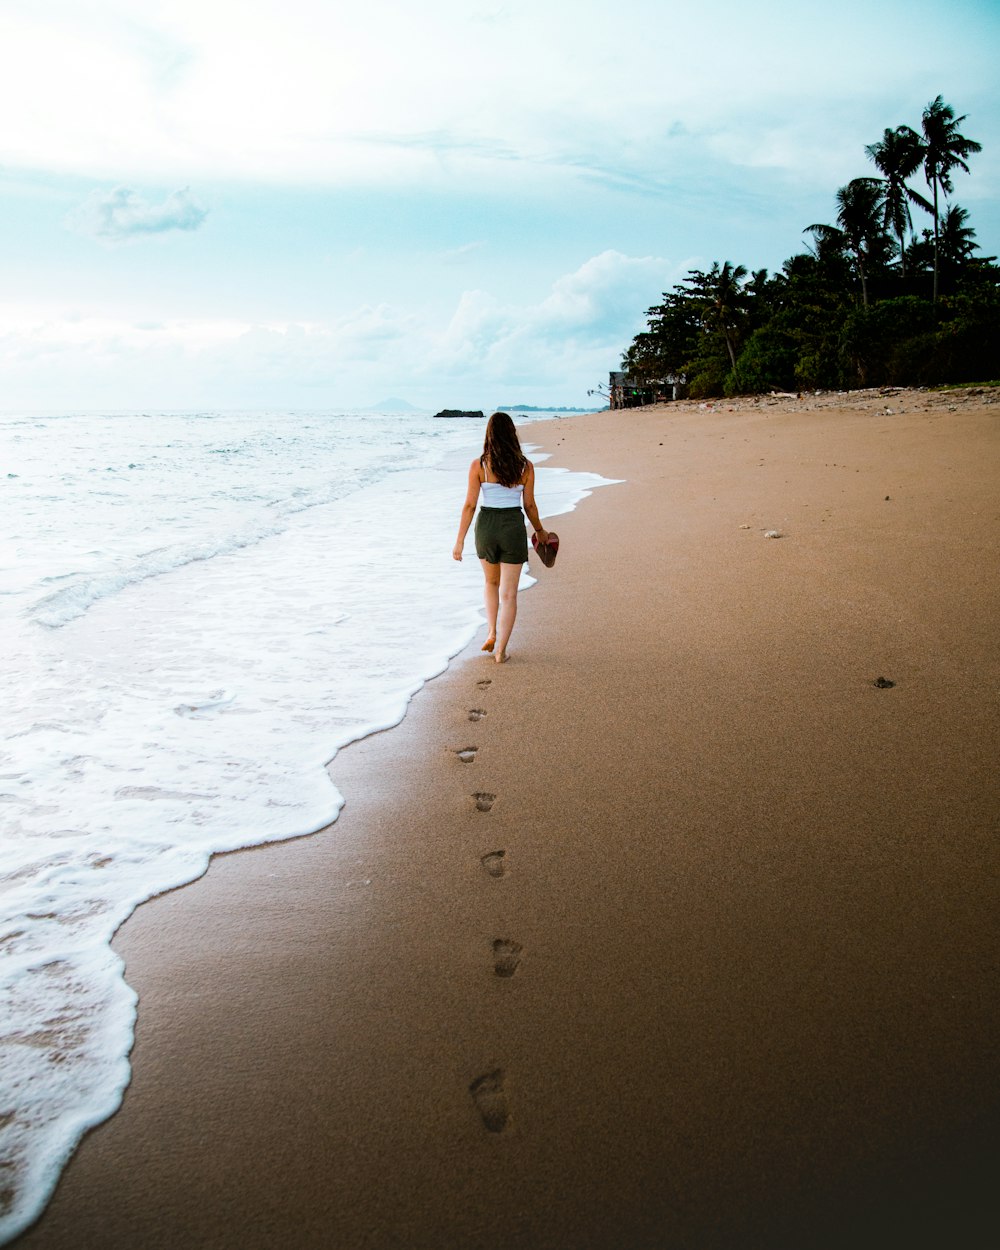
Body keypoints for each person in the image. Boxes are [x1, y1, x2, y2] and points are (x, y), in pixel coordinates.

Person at [452, 411, 550, 664]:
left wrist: (460, 540)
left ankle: (492, 631)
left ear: (489, 435)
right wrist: (539, 530)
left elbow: (469, 506)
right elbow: (529, 506)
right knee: (509, 594)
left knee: (490, 583)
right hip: (511, 527)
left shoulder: (479, 465)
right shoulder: (525, 466)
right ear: (512, 434)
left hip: (486, 527)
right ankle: (501, 651)